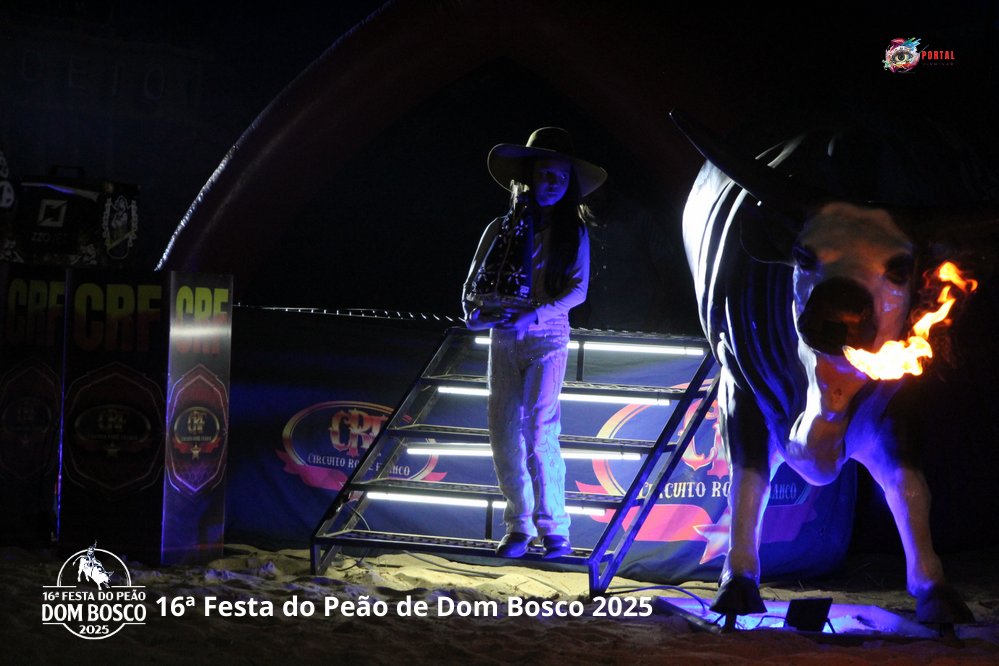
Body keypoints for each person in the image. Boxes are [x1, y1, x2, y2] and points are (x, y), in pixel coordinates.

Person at [461, 127, 607, 559]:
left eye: (560, 177)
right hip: (504, 337)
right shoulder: (500, 228)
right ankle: (519, 525)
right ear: (528, 177)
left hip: (548, 336)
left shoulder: (573, 232)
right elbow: (473, 282)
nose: (552, 183)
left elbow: (578, 290)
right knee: (504, 430)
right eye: (545, 174)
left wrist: (535, 313)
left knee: (540, 428)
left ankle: (554, 527)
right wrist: (475, 313)